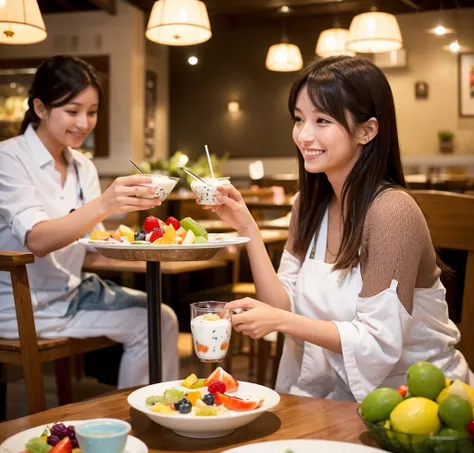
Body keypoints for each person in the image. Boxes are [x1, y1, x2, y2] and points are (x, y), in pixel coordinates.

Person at [202, 56, 474, 401]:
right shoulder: (309, 205)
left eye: (322, 120)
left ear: (367, 130)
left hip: (416, 402)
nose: (304, 135)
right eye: (299, 119)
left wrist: (281, 322)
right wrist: (248, 229)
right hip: (332, 398)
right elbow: (281, 305)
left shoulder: (392, 212)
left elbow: (378, 341)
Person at [0, 55, 179, 389]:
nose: (83, 122)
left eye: (92, 111)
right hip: (22, 305)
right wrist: (105, 204)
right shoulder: (9, 158)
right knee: (153, 321)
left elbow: (90, 244)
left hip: (71, 294)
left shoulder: (83, 166)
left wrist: (146, 244)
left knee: (161, 317)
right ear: (40, 108)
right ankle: (136, 420)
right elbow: (37, 240)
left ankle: (151, 415)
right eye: (72, 111)